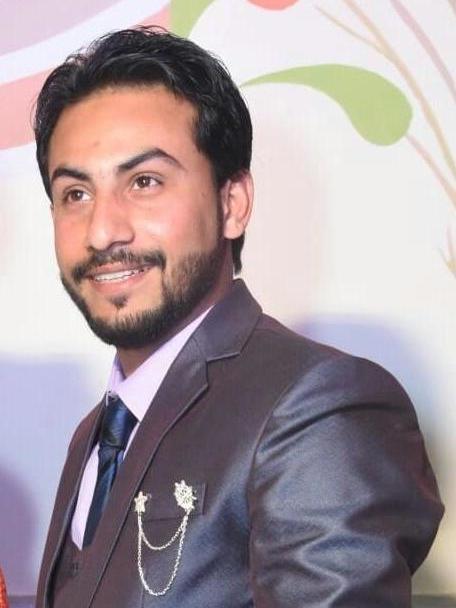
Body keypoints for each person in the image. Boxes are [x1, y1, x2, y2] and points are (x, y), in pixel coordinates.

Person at [34, 26, 443, 608]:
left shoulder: (318, 409)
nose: (102, 231)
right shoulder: (95, 435)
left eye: (144, 182)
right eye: (75, 193)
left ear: (233, 203)